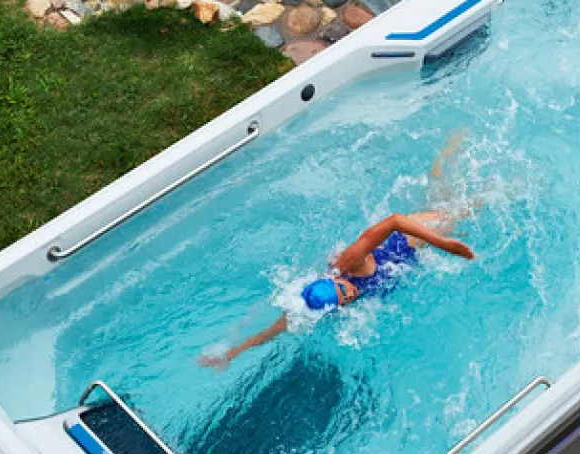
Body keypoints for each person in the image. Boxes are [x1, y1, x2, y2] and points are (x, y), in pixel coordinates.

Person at [200, 134, 476, 370]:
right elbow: (271, 331)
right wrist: (231, 354)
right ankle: (451, 153)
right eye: (346, 300)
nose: (351, 294)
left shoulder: (349, 263)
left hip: (407, 239)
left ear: (335, 279)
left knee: (463, 209)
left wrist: (444, 245)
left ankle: (460, 149)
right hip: (409, 260)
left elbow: (394, 221)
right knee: (446, 199)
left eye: (344, 290)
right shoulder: (319, 305)